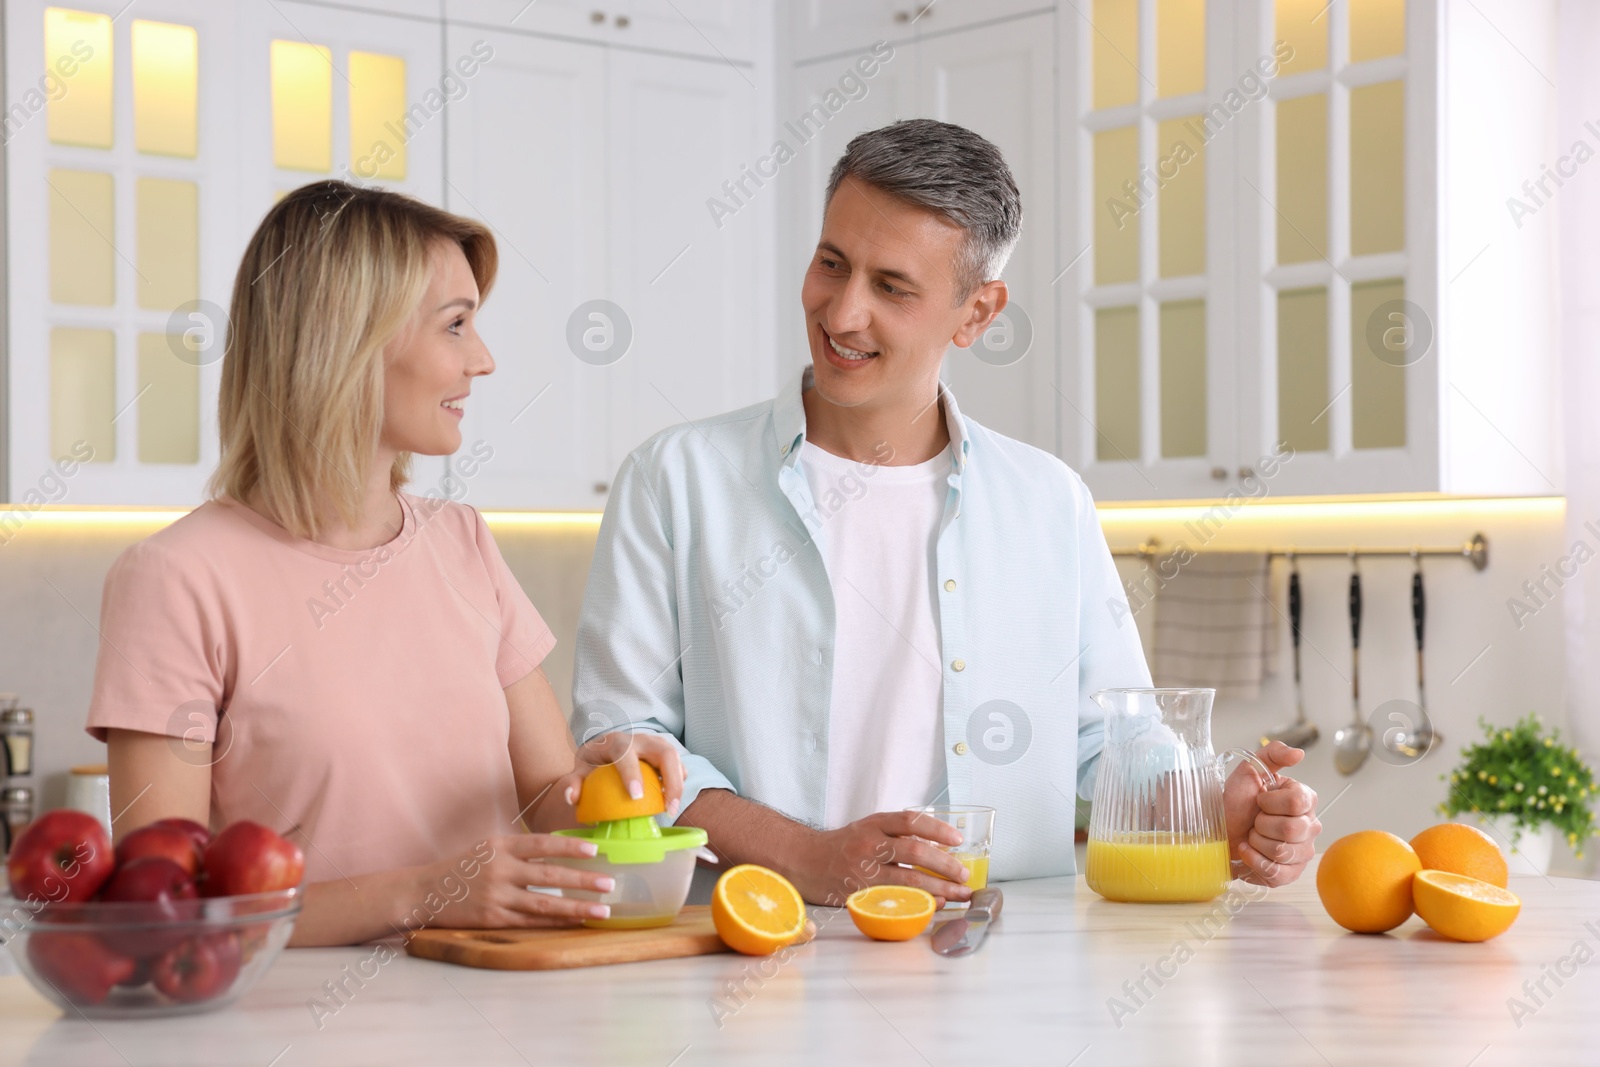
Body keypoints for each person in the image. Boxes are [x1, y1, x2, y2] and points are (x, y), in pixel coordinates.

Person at [573, 120, 1321, 906]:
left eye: (892, 287)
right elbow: (621, 743)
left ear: (976, 313)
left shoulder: (1048, 501)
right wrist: (810, 858)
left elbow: (1114, 740)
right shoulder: (676, 480)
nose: (842, 312)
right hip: (756, 941)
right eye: (832, 263)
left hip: (1009, 964)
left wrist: (1208, 812)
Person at [86, 181, 683, 946]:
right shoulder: (175, 579)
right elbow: (163, 909)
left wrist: (610, 783)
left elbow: (544, 797)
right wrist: (424, 893)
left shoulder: (462, 542)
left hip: (506, 1006)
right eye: (456, 325)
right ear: (349, 340)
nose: (485, 358)